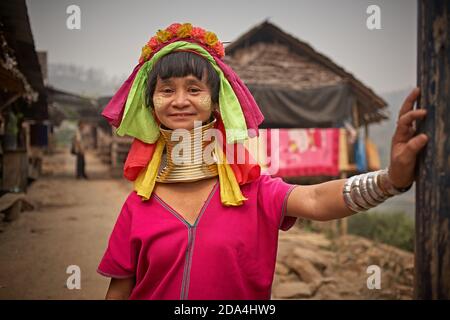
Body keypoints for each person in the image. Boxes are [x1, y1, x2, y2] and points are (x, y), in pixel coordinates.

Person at [97, 23, 428, 300]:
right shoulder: (138, 205)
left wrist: (390, 180)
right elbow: (119, 292)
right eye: (166, 90)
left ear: (215, 103)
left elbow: (315, 199)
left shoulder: (254, 193)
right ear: (152, 104)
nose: (180, 100)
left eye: (194, 89)